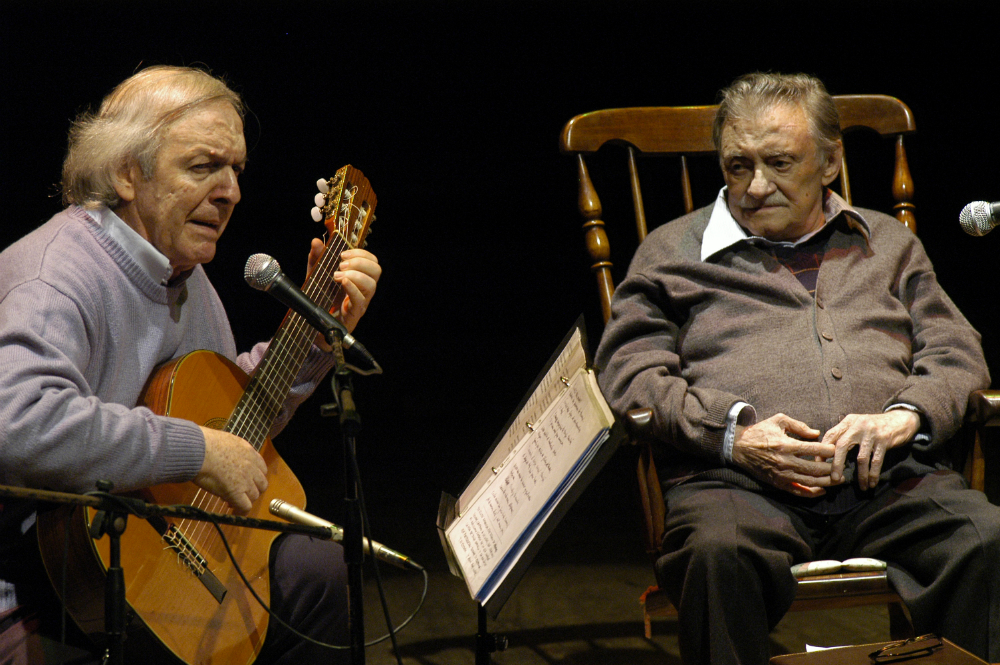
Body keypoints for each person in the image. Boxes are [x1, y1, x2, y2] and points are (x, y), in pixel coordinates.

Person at [595, 72, 999, 664]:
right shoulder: (670, 253)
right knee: (715, 555)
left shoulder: (886, 242)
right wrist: (732, 435)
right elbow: (630, 371)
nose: (756, 187)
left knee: (985, 540)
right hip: (736, 486)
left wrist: (904, 417)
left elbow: (955, 351)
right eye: (737, 167)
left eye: (779, 163)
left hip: (889, 478)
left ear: (830, 161)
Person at [0, 65, 381, 663]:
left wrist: (312, 331)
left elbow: (232, 425)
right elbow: (17, 421)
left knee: (322, 573)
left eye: (236, 170)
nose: (230, 191)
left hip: (154, 563)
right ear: (128, 173)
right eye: (204, 166)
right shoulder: (56, 274)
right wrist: (196, 451)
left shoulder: (188, 278)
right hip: (41, 592)